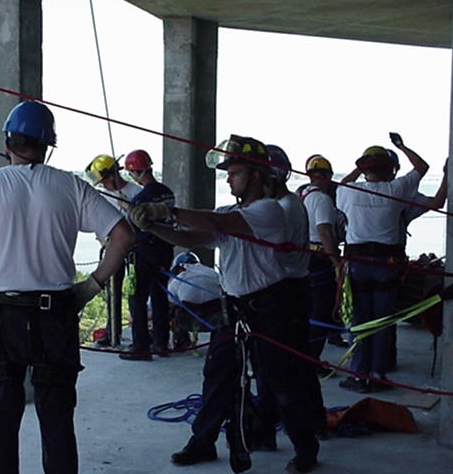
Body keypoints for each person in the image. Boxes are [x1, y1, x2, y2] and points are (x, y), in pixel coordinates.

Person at [0, 100, 134, 474]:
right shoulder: (69, 186)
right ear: (47, 146)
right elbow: (123, 235)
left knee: (0, 423)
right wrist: (92, 285)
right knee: (57, 421)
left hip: (0, 316)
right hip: (55, 316)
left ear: (8, 142)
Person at [129, 135, 321, 473]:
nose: (229, 178)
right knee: (217, 376)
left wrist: (168, 211)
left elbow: (217, 224)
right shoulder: (231, 212)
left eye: (234, 172)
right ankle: (202, 441)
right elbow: (194, 237)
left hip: (270, 307)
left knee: (282, 380)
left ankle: (306, 447)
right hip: (235, 306)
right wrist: (157, 228)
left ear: (257, 175)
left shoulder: (269, 211)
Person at [336, 132, 428, 393]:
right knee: (383, 320)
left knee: (359, 321)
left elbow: (341, 185)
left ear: (364, 170)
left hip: (358, 263)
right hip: (387, 265)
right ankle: (377, 373)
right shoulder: (396, 189)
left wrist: (359, 166)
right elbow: (422, 168)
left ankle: (358, 374)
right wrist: (401, 146)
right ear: (390, 169)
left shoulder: (349, 191)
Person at [119, 149, 175, 361]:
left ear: (135, 172)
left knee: (137, 299)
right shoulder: (167, 191)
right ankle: (162, 344)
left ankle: (141, 346)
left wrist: (127, 206)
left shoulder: (141, 198)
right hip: (165, 249)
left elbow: (134, 225)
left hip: (144, 252)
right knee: (159, 297)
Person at [85, 154, 142, 347]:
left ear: (113, 175)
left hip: (135, 250)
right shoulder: (103, 195)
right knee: (112, 292)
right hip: (111, 248)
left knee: (136, 294)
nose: (104, 185)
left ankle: (139, 336)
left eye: (105, 181)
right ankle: (112, 333)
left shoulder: (136, 192)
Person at [299, 155, 344, 374]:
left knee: (311, 310)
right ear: (327, 176)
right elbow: (325, 231)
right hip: (320, 259)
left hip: (307, 257)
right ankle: (312, 359)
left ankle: (306, 357)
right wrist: (337, 262)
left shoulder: (303, 195)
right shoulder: (323, 200)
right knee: (321, 311)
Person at [167, 251, 223, 349]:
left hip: (188, 321)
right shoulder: (214, 274)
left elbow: (167, 301)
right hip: (215, 320)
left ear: (179, 268)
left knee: (171, 308)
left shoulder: (178, 280)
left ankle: (181, 341)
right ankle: (220, 342)